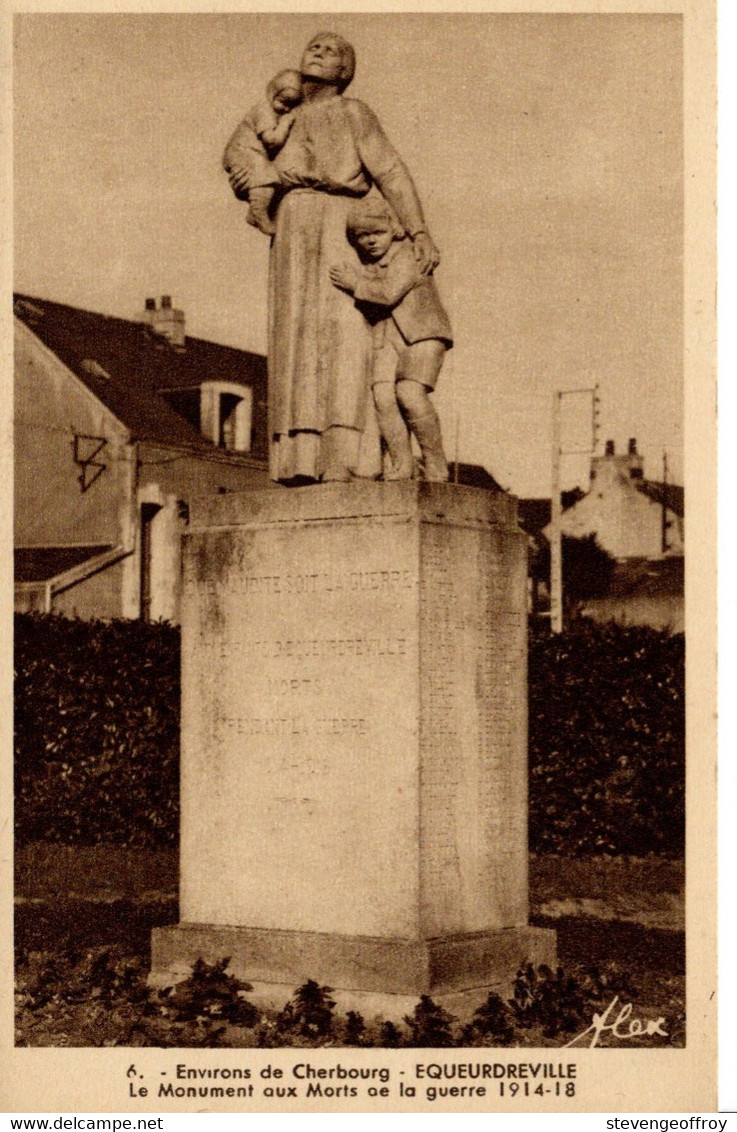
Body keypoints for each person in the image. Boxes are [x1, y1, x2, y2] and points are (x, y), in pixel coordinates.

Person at [226, 32, 441, 484]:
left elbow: (390, 170)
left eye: (332, 50)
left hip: (342, 226)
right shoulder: (280, 113)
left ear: (346, 71)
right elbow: (241, 156)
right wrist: (252, 179)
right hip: (290, 229)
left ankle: (350, 458)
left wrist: (418, 231)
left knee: (346, 337)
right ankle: (297, 460)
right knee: (294, 339)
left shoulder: (352, 112)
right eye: (313, 46)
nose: (318, 51)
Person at [330, 199, 452, 482]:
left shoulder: (408, 255)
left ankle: (435, 463)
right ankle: (401, 465)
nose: (370, 241)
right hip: (388, 335)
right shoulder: (369, 263)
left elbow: (388, 294)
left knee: (409, 394)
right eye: (362, 236)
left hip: (423, 334)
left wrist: (354, 285)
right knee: (383, 397)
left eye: (377, 233)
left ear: (393, 229)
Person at [222, 69, 303, 235]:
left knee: (265, 175)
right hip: (243, 151)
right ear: (272, 92)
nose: (286, 109)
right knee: (264, 175)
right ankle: (259, 215)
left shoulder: (275, 110)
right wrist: (286, 124)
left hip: (249, 153)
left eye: (291, 106)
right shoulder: (264, 111)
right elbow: (272, 141)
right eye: (282, 102)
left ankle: (255, 212)